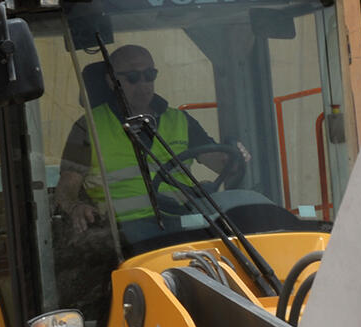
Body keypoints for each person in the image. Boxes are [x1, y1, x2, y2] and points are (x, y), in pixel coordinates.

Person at [54, 44, 239, 227]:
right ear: (111, 81)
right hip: (124, 232)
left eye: (150, 75)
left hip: (184, 222)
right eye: (133, 77)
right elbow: (66, 188)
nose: (143, 85)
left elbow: (220, 164)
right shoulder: (87, 126)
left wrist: (233, 157)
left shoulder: (180, 120)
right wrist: (75, 207)